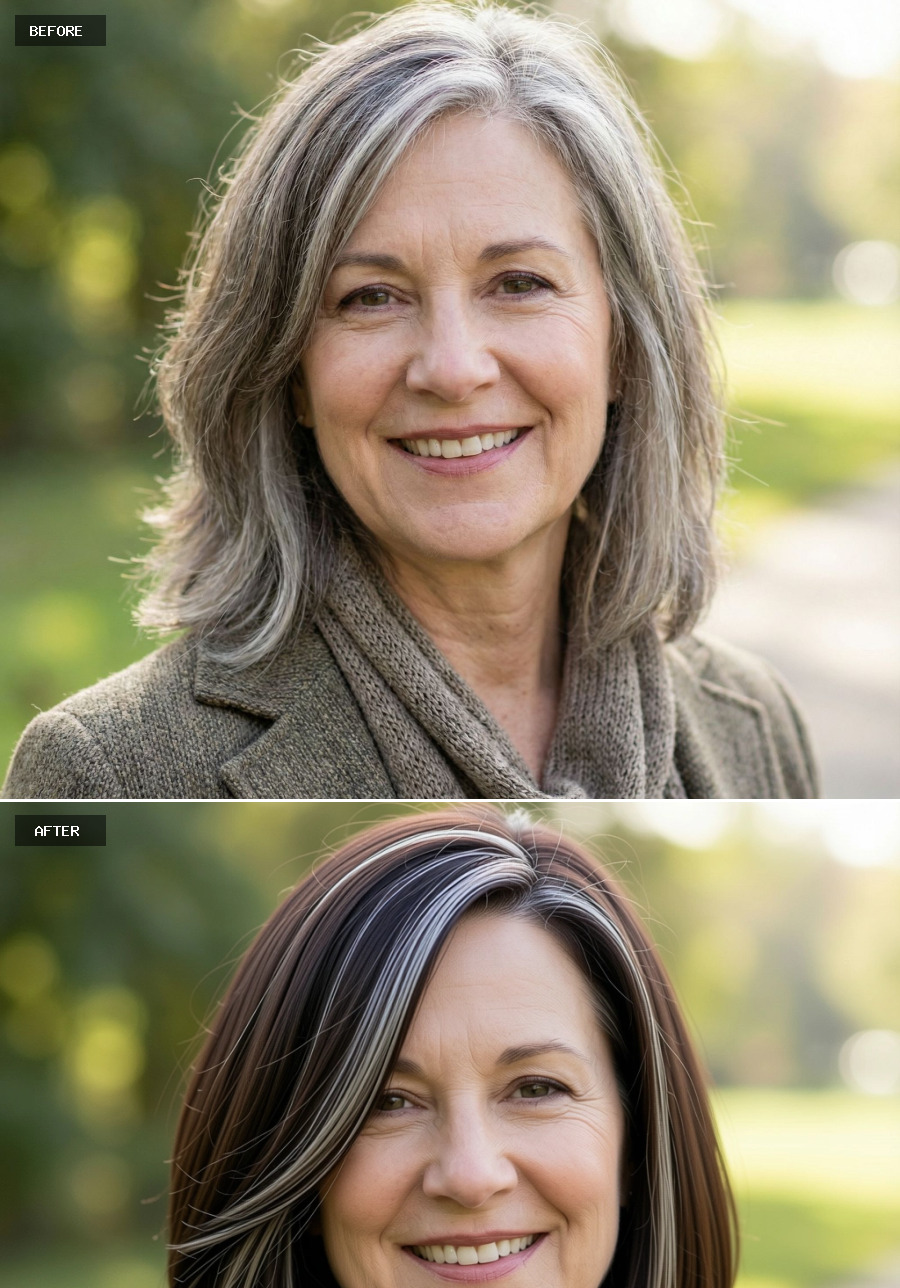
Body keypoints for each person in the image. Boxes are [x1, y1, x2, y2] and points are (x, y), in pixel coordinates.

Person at [3, 5, 818, 802]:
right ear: (288, 372)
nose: (453, 368)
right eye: (371, 298)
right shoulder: (106, 771)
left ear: (626, 346)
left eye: (520, 283)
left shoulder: (754, 721)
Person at [9, 810, 827, 1288]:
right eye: (387, 1102)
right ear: (297, 1159)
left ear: (637, 1134)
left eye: (536, 1088)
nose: (470, 1175)